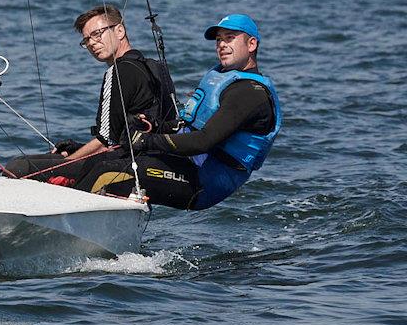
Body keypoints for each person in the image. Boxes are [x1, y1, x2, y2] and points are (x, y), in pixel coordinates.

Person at [75, 14, 281, 210]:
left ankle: (67, 221)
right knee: (100, 161)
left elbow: (203, 141)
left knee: (107, 172)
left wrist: (148, 141)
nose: (222, 45)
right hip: (188, 163)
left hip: (205, 181)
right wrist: (156, 126)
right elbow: (189, 124)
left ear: (251, 44)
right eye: (218, 40)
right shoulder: (223, 77)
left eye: (230, 38)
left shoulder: (249, 93)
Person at [3, 4, 176, 182]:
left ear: (119, 31)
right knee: (62, 153)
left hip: (124, 164)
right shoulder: (155, 67)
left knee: (19, 166)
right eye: (86, 40)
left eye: (97, 34)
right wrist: (77, 149)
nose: (92, 43)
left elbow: (106, 141)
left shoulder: (118, 72)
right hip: (156, 160)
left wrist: (66, 164)